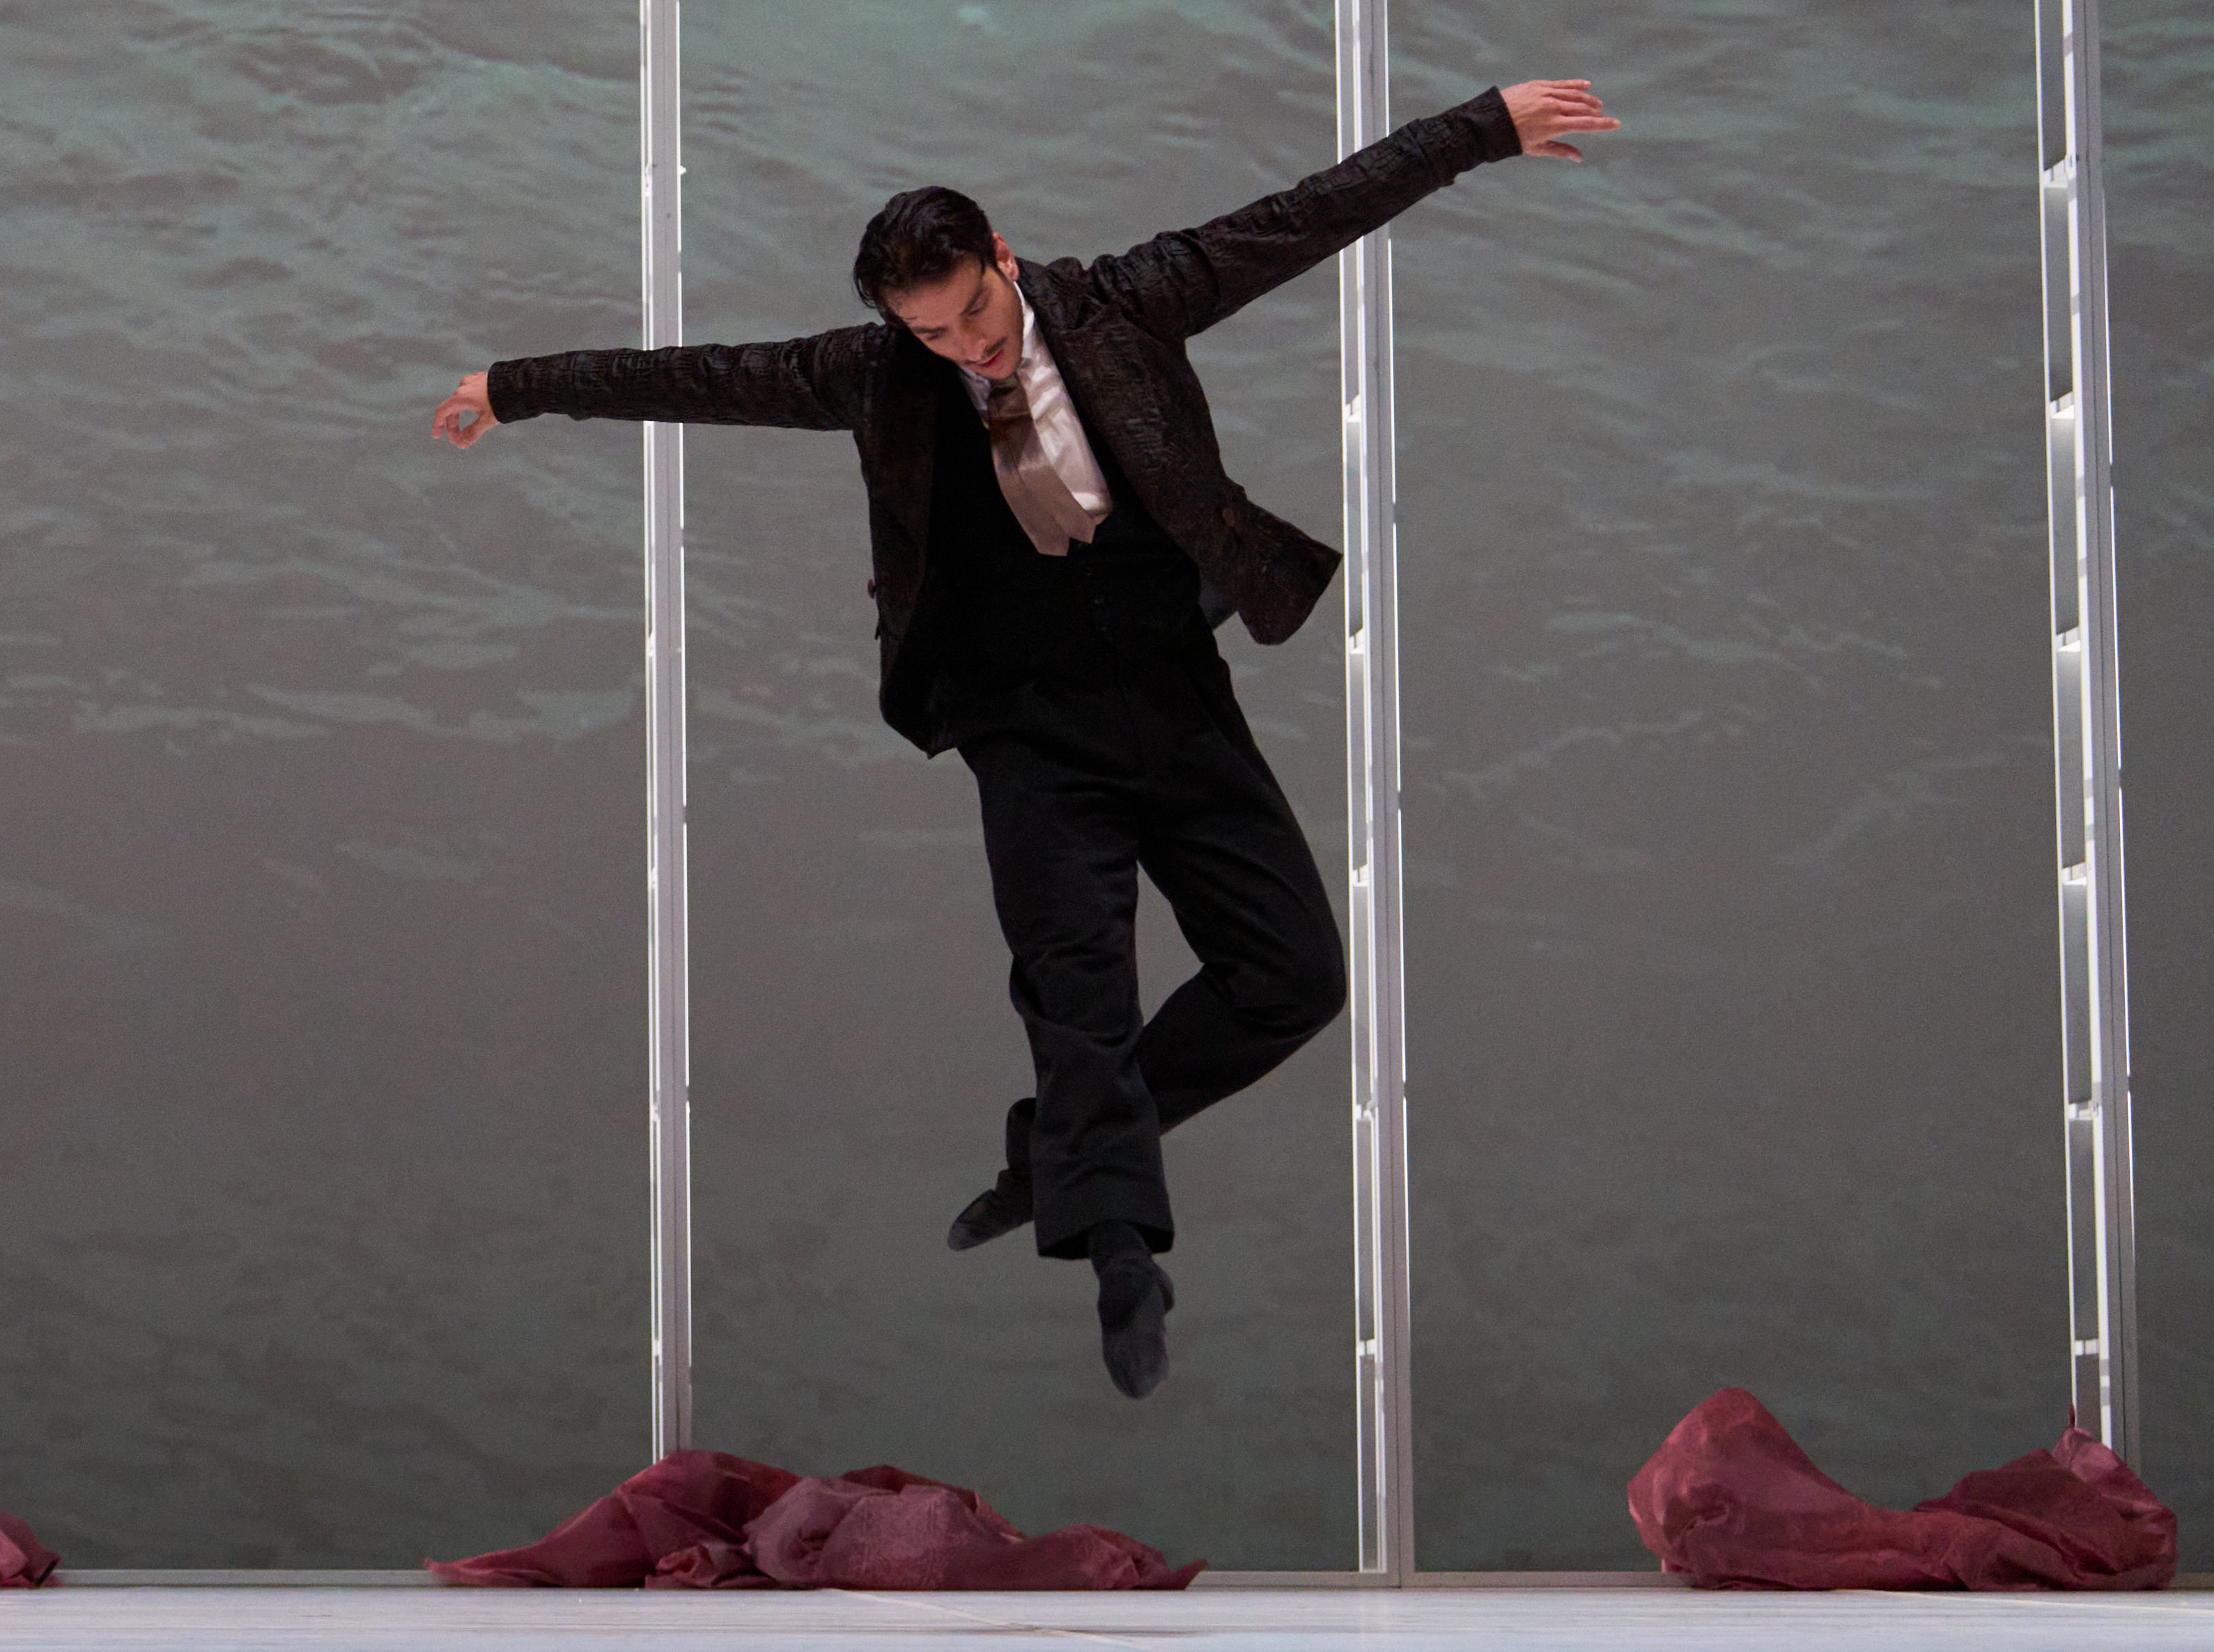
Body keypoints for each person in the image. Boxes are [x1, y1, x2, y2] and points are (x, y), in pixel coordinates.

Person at [431, 78, 1616, 1398]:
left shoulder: (1129, 299)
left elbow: (1309, 216)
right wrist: (513, 389)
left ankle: (1059, 1158)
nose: (968, 351)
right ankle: (1121, 1258)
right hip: (1023, 728)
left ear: (1004, 259)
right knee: (1078, 991)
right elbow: (700, 376)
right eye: (931, 333)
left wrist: (1487, 129)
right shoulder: (878, 375)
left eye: (976, 315)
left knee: (1292, 973)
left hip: (1173, 692)